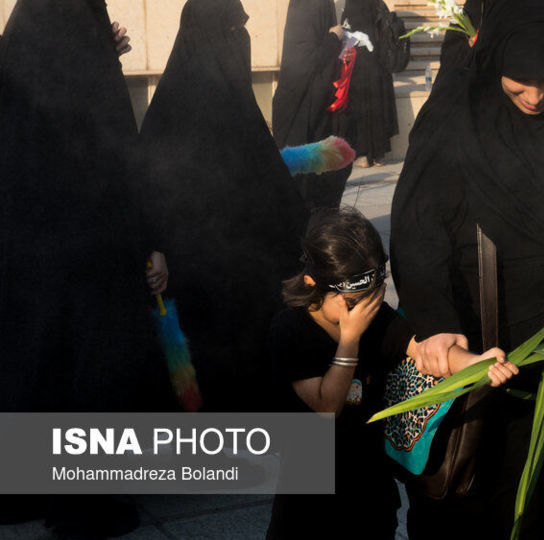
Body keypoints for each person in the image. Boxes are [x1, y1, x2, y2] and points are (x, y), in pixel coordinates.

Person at [390, 0, 544, 537]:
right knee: (486, 495)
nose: (534, 96)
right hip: (481, 343)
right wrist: (437, 323)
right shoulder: (456, 112)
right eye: (519, 82)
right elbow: (417, 227)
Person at [0, 0, 174, 535]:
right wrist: (150, 241)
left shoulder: (18, 49)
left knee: (31, 362)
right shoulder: (90, 64)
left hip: (24, 247)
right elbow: (120, 155)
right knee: (91, 369)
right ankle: (82, 503)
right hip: (93, 244)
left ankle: (19, 492)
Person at [266, 208, 514, 539]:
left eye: (373, 296)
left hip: (370, 495)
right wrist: (351, 338)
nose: (367, 307)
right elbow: (326, 407)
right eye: (354, 301)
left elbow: (421, 347)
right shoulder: (291, 329)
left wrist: (476, 363)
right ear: (313, 281)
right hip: (309, 505)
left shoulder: (374, 316)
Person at [140, 0, 308, 412]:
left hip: (249, 306)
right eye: (233, 33)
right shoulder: (172, 118)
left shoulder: (237, 116)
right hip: (197, 303)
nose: (243, 41)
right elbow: (144, 200)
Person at [273, 0, 354, 209]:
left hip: (318, 105)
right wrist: (333, 38)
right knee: (303, 189)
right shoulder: (308, 5)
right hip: (303, 109)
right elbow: (307, 58)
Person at [340, 0, 399, 167]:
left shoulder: (352, 4)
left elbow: (348, 33)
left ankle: (363, 154)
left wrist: (343, 56)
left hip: (360, 63)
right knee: (377, 102)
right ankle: (379, 155)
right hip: (378, 62)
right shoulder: (378, 2)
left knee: (361, 106)